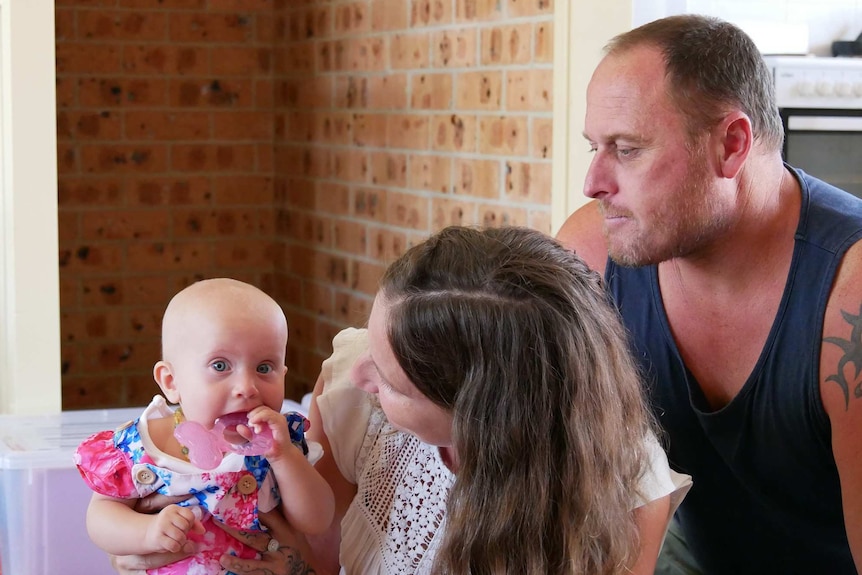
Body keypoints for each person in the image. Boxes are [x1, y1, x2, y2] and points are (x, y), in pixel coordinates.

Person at [112, 225, 691, 575]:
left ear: (480, 413)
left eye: (392, 380)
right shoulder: (353, 399)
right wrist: (150, 540)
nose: (358, 375)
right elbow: (305, 550)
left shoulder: (625, 483)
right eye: (375, 344)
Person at [555, 13, 862, 575]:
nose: (593, 182)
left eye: (626, 149)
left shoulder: (851, 299)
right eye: (595, 146)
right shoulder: (593, 254)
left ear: (732, 144)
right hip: (689, 542)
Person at [75, 278, 335, 574]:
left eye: (264, 368)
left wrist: (284, 456)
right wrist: (146, 531)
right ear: (171, 383)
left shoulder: (281, 443)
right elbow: (100, 517)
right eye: (220, 366)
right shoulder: (142, 445)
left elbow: (316, 520)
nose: (246, 387)